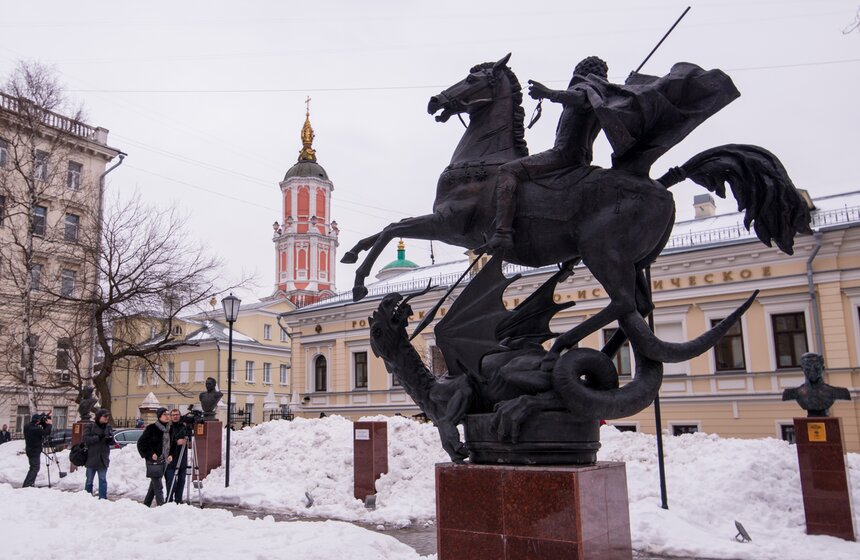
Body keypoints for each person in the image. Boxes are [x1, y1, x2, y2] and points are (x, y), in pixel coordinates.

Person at [484, 56, 609, 253]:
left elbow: (578, 98)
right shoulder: (602, 94)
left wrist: (548, 93)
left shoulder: (585, 88)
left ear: (580, 71)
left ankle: (502, 233)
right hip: (583, 157)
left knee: (508, 170)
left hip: (563, 154)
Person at [137, 408, 174, 507]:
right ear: (159, 416)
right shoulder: (151, 428)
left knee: (154, 485)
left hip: (165, 460)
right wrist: (150, 454)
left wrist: (171, 455)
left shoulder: (170, 428)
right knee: (158, 486)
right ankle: (161, 507)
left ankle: (146, 505)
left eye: (168, 414)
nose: (167, 416)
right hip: (153, 461)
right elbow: (141, 443)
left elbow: (173, 444)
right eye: (164, 414)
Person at [82, 409, 113, 499]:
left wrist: (110, 440)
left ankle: (103, 498)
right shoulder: (90, 426)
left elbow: (112, 442)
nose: (107, 418)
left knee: (103, 479)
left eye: (108, 416)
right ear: (99, 417)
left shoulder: (108, 427)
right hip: (92, 457)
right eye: (105, 416)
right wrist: (98, 438)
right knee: (89, 480)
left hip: (103, 458)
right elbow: (85, 439)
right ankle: (86, 497)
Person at [165, 409, 189, 504]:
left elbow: (188, 440)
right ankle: (169, 500)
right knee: (171, 482)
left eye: (177, 414)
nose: (175, 416)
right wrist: (176, 442)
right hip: (171, 460)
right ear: (171, 416)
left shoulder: (184, 427)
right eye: (173, 415)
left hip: (182, 458)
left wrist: (188, 442)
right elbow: (164, 442)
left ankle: (179, 500)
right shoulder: (167, 428)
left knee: (181, 481)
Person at [22, 412, 51, 487]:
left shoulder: (27, 426)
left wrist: (42, 417)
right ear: (37, 421)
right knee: (35, 468)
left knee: (32, 468)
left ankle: (27, 483)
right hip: (35, 451)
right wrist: (49, 424)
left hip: (29, 450)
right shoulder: (36, 429)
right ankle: (28, 484)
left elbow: (37, 423)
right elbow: (46, 432)